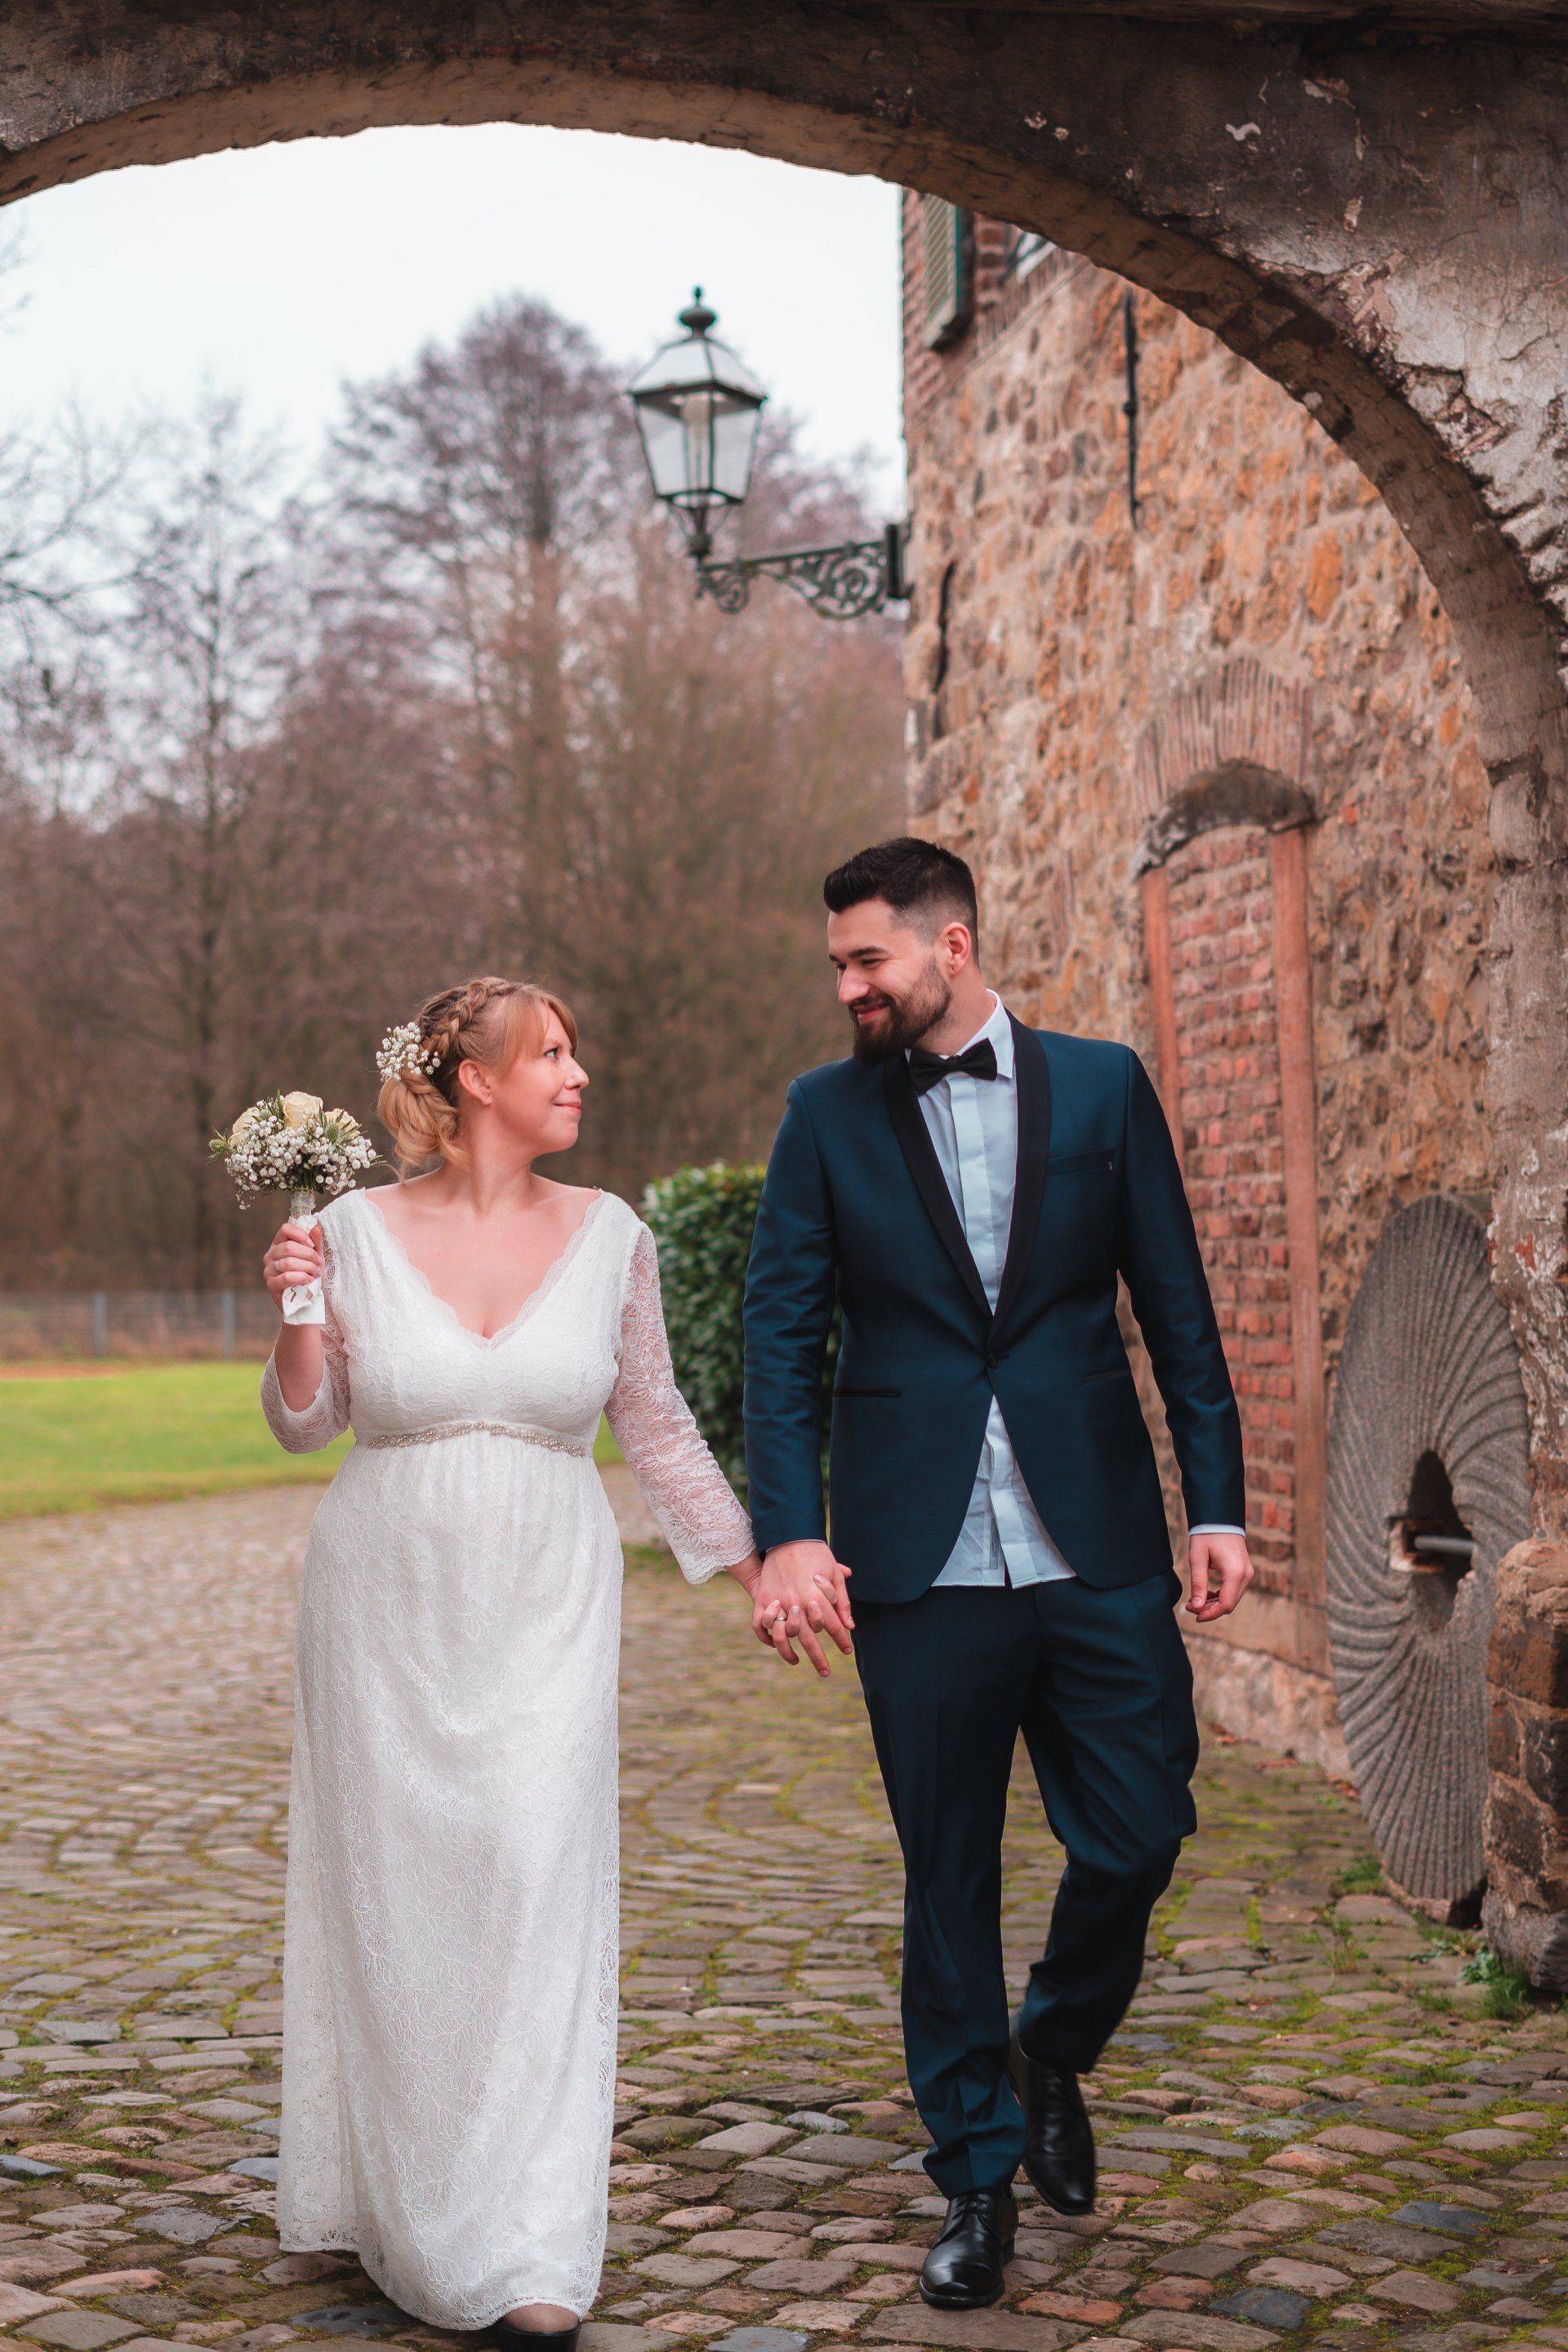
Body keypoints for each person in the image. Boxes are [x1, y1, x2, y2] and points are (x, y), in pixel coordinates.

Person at [742, 838, 1252, 2310]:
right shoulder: (823, 1117)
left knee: (1143, 1826)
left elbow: (1179, 1308)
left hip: (1091, 1537)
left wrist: (1213, 1503)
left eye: (867, 962)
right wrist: (790, 1530)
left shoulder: (1102, 1086)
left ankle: (1053, 2052)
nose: (848, 989)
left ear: (948, 947)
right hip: (914, 1558)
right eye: (839, 965)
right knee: (946, 1874)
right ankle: (973, 2175)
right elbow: (783, 1335)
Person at [258, 976, 761, 2350]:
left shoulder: (613, 1236)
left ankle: (529, 2236)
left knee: (535, 1883)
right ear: (473, 1081)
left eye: (576, 1051)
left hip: (547, 1596)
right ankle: (403, 2202)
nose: (577, 1073)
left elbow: (652, 1422)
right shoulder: (348, 1229)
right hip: (384, 1600)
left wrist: (759, 1561)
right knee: (400, 1898)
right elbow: (308, 1428)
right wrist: (300, 1309)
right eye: (550, 1053)